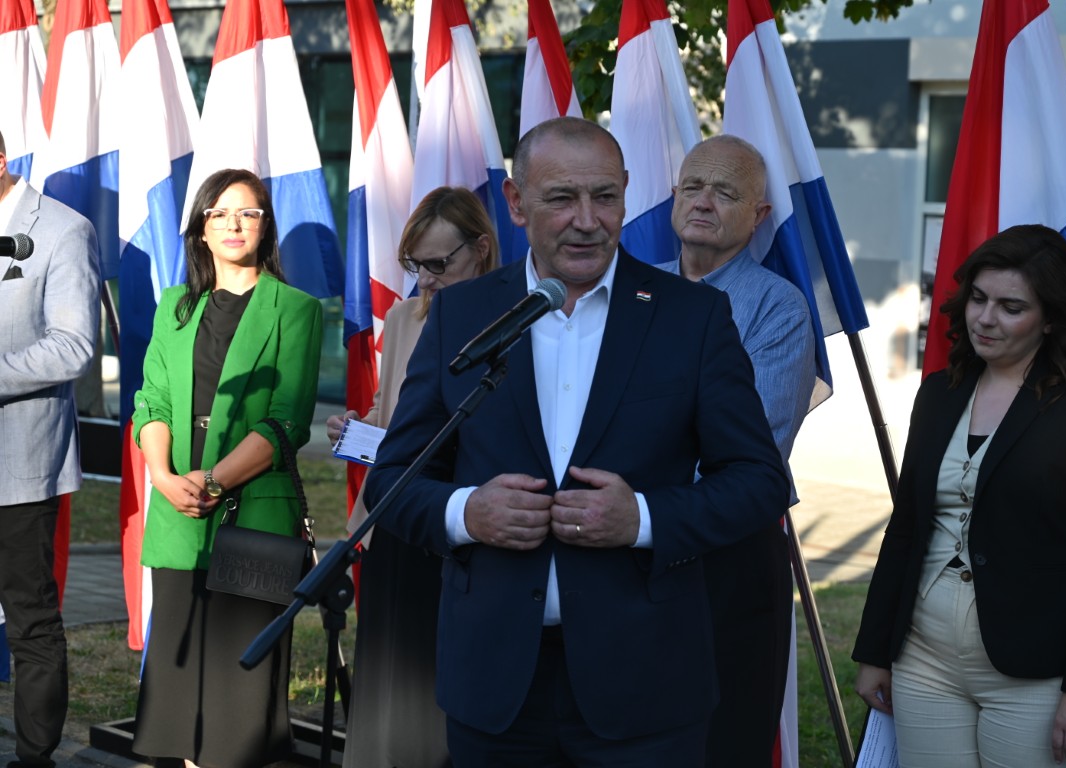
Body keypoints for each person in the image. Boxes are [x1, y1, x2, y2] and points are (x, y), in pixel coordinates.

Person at [362, 116, 790, 766]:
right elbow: (394, 478)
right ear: (516, 203)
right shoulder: (462, 314)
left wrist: (643, 518)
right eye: (562, 198)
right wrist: (467, 512)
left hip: (646, 686)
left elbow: (759, 481)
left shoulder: (692, 316)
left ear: (627, 192)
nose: (587, 221)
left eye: (605, 197)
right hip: (494, 686)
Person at [852, 224, 1066, 767]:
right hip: (923, 659)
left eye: (1011, 308)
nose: (985, 319)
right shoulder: (939, 392)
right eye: (979, 299)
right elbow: (906, 527)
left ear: (1050, 318)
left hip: (1040, 671)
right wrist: (874, 651)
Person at [130, 168, 323, 768]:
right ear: (201, 229)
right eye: (220, 213)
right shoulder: (174, 307)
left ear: (266, 227)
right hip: (178, 513)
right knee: (178, 692)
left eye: (248, 213)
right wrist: (163, 478)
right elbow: (151, 402)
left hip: (253, 517)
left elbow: (287, 422)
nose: (234, 224)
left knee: (238, 698)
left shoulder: (296, 309)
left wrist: (214, 481)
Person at [329, 186, 499, 768]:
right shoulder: (405, 317)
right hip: (396, 523)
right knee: (389, 680)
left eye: (437, 264)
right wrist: (357, 428)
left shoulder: (514, 318)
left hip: (465, 530)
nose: (424, 279)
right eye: (415, 265)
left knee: (441, 688)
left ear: (481, 249)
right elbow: (390, 411)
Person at [663, 134, 816, 765]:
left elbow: (752, 453)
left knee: (720, 744)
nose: (703, 201)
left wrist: (639, 498)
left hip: (726, 558)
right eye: (693, 186)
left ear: (759, 217)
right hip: (623, 551)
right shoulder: (629, 290)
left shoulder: (779, 308)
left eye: (725, 192)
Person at [0, 131, 101, 768]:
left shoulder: (63, 230)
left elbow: (72, 345)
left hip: (18, 466)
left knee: (30, 619)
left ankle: (34, 759)